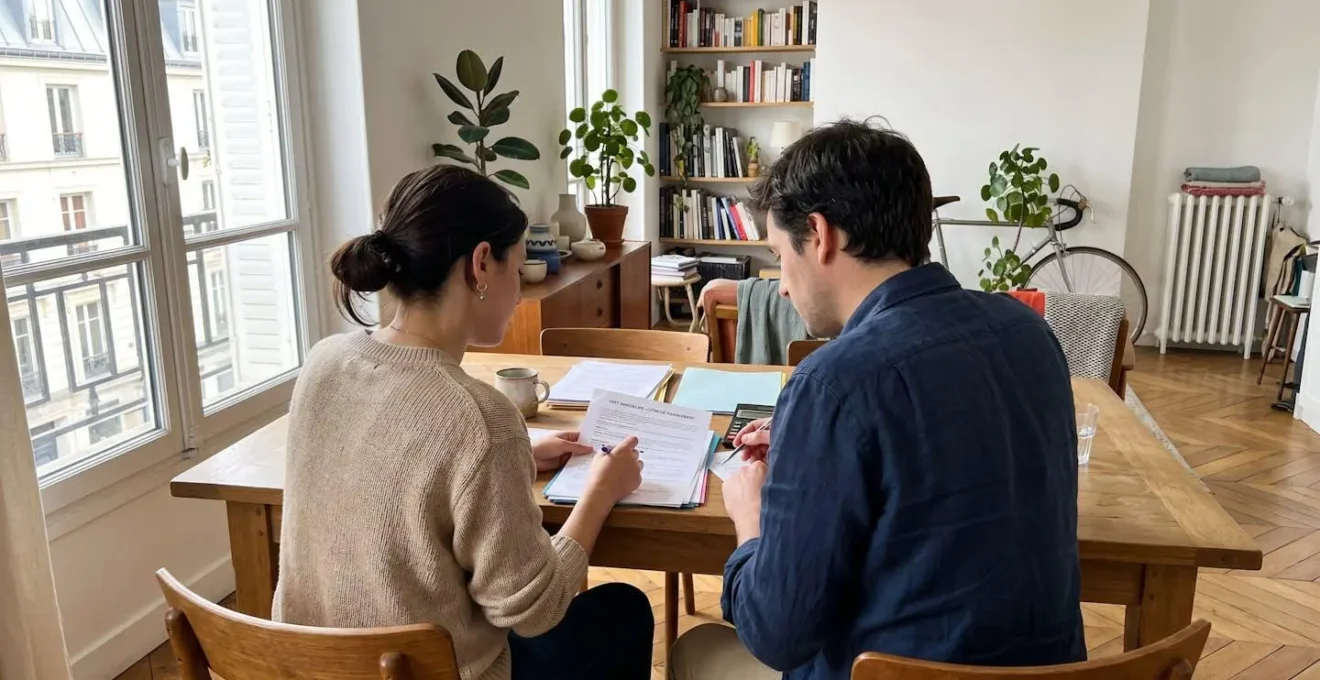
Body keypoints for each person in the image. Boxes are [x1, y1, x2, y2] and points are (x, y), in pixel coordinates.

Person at [669, 120, 1085, 679]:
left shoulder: (833, 383)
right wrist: (812, 447)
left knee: (696, 653)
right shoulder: (1029, 331)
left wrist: (751, 519)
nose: (782, 287)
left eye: (777, 255)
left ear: (819, 235)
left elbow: (776, 634)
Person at [272, 164, 654, 680]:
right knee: (624, 610)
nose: (519, 291)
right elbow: (532, 611)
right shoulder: (479, 418)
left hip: (307, 668)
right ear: (480, 264)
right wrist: (600, 493)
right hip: (434, 673)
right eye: (516, 270)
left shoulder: (324, 361)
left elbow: (398, 461)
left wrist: (517, 452)